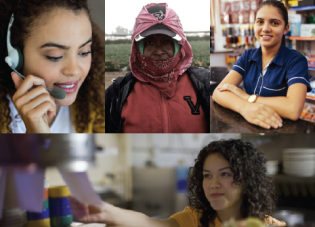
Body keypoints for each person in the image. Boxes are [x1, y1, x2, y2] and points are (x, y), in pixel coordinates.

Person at [69, 139, 285, 227]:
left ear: (246, 179)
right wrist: (105, 211)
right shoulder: (195, 219)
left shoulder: (269, 225)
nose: (213, 184)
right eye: (207, 175)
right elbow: (150, 223)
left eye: (225, 174)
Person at [0, 0, 105, 133]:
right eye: (55, 56)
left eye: (84, 52)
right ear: (16, 56)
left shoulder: (98, 97)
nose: (74, 70)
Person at [105, 3, 210, 133]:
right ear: (138, 48)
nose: (159, 51)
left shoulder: (203, 83)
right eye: (149, 43)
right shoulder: (118, 92)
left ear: (179, 45)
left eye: (166, 42)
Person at [212, 0, 311, 130]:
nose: (265, 29)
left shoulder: (296, 61)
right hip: (251, 124)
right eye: (260, 22)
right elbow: (218, 92)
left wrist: (248, 98)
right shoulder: (247, 56)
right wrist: (244, 107)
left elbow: (293, 109)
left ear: (286, 28)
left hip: (281, 129)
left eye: (274, 23)